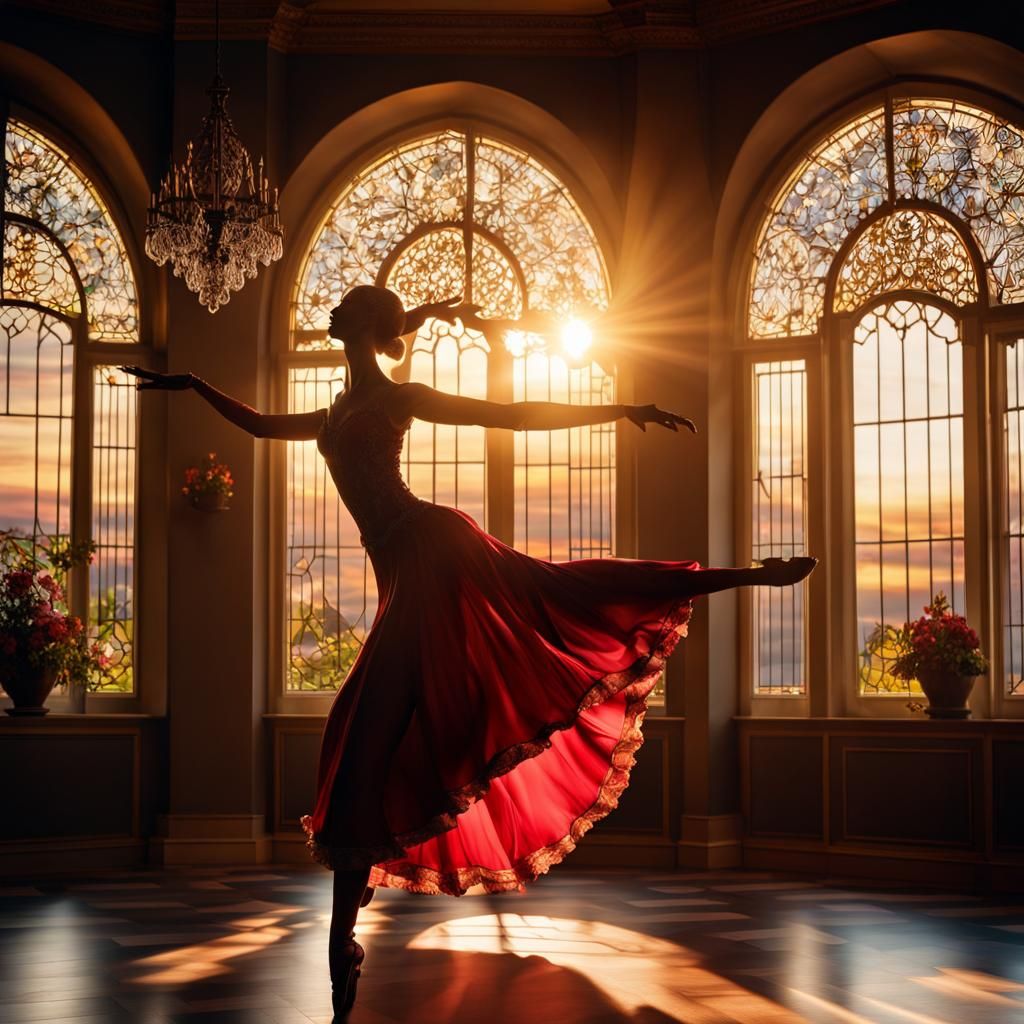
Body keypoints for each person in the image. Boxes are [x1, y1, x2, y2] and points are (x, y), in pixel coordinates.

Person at [124, 285, 816, 1019]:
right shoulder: (332, 411)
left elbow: (509, 415)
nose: (332, 311)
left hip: (433, 551)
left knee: (551, 598)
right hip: (401, 574)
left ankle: (748, 575)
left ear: (367, 324)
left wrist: (618, 410)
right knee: (367, 738)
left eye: (347, 305)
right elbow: (262, 426)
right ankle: (350, 917)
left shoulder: (399, 396)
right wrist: (193, 384)